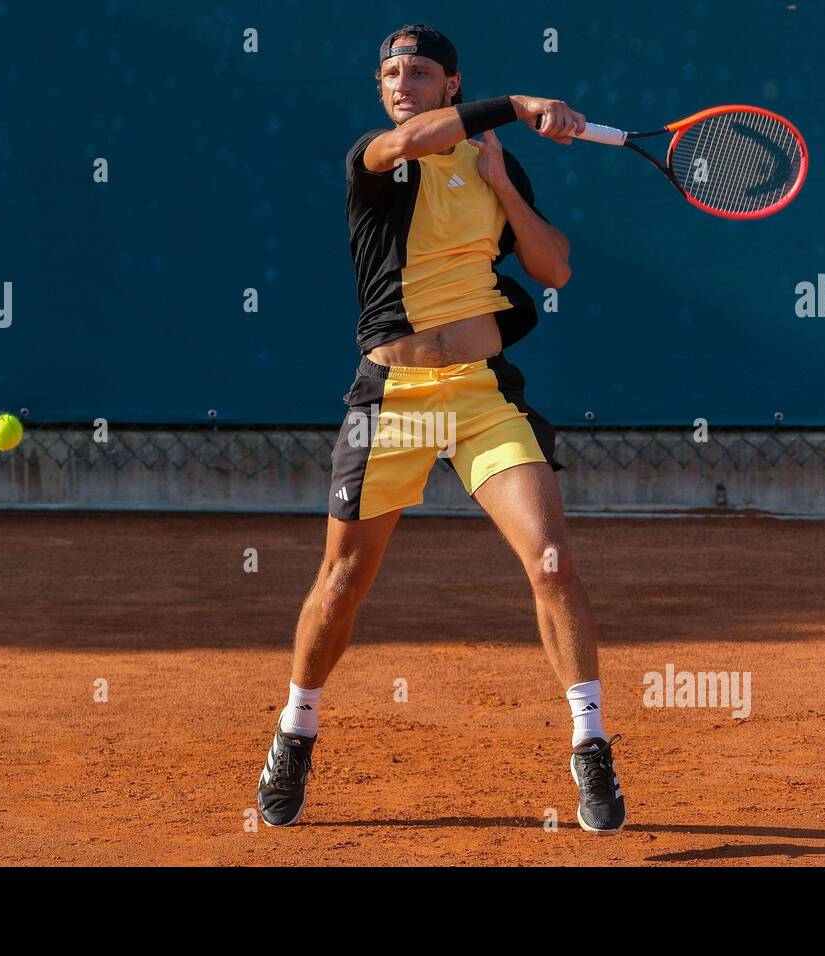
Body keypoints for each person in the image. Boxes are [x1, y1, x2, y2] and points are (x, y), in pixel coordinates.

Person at [256, 23, 626, 834]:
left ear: (450, 84)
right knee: (343, 583)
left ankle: (590, 742)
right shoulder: (375, 161)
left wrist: (502, 183)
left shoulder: (493, 160)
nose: (402, 85)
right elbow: (418, 140)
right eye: (390, 73)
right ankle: (296, 729)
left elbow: (554, 267)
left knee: (554, 561)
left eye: (420, 73)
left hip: (483, 393)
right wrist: (520, 104)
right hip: (391, 397)